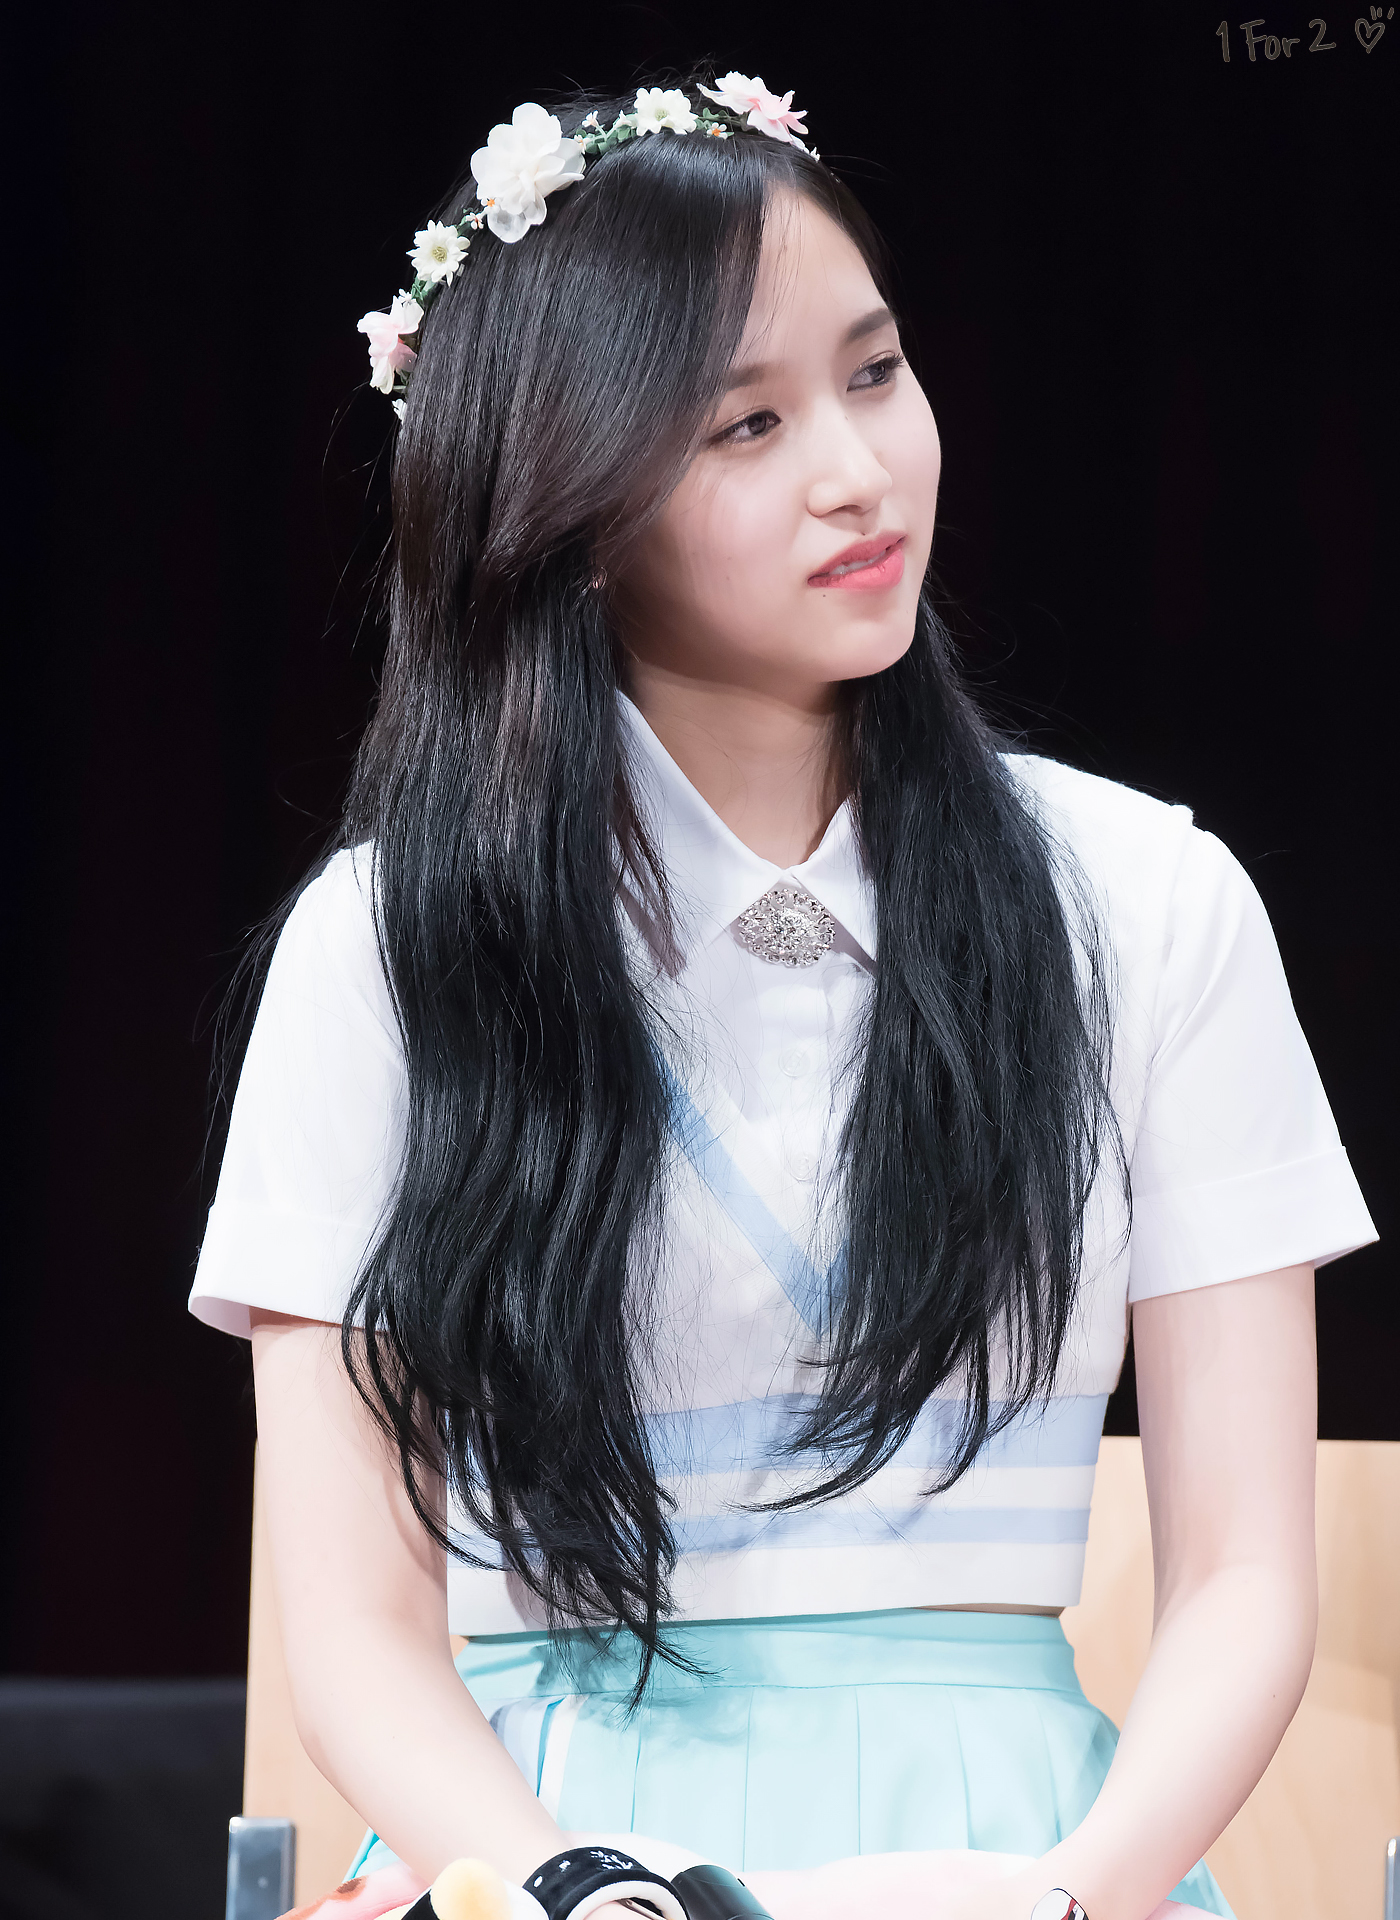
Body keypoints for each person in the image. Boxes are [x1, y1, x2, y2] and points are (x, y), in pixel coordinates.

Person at [191, 70, 1378, 1920]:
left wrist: (1075, 1899)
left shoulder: (1149, 905)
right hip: (551, 1849)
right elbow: (353, 1630)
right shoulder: (386, 955)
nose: (857, 469)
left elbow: (1243, 1583)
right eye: (747, 422)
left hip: (1029, 1858)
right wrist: (581, 1888)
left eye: (874, 372)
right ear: (570, 505)